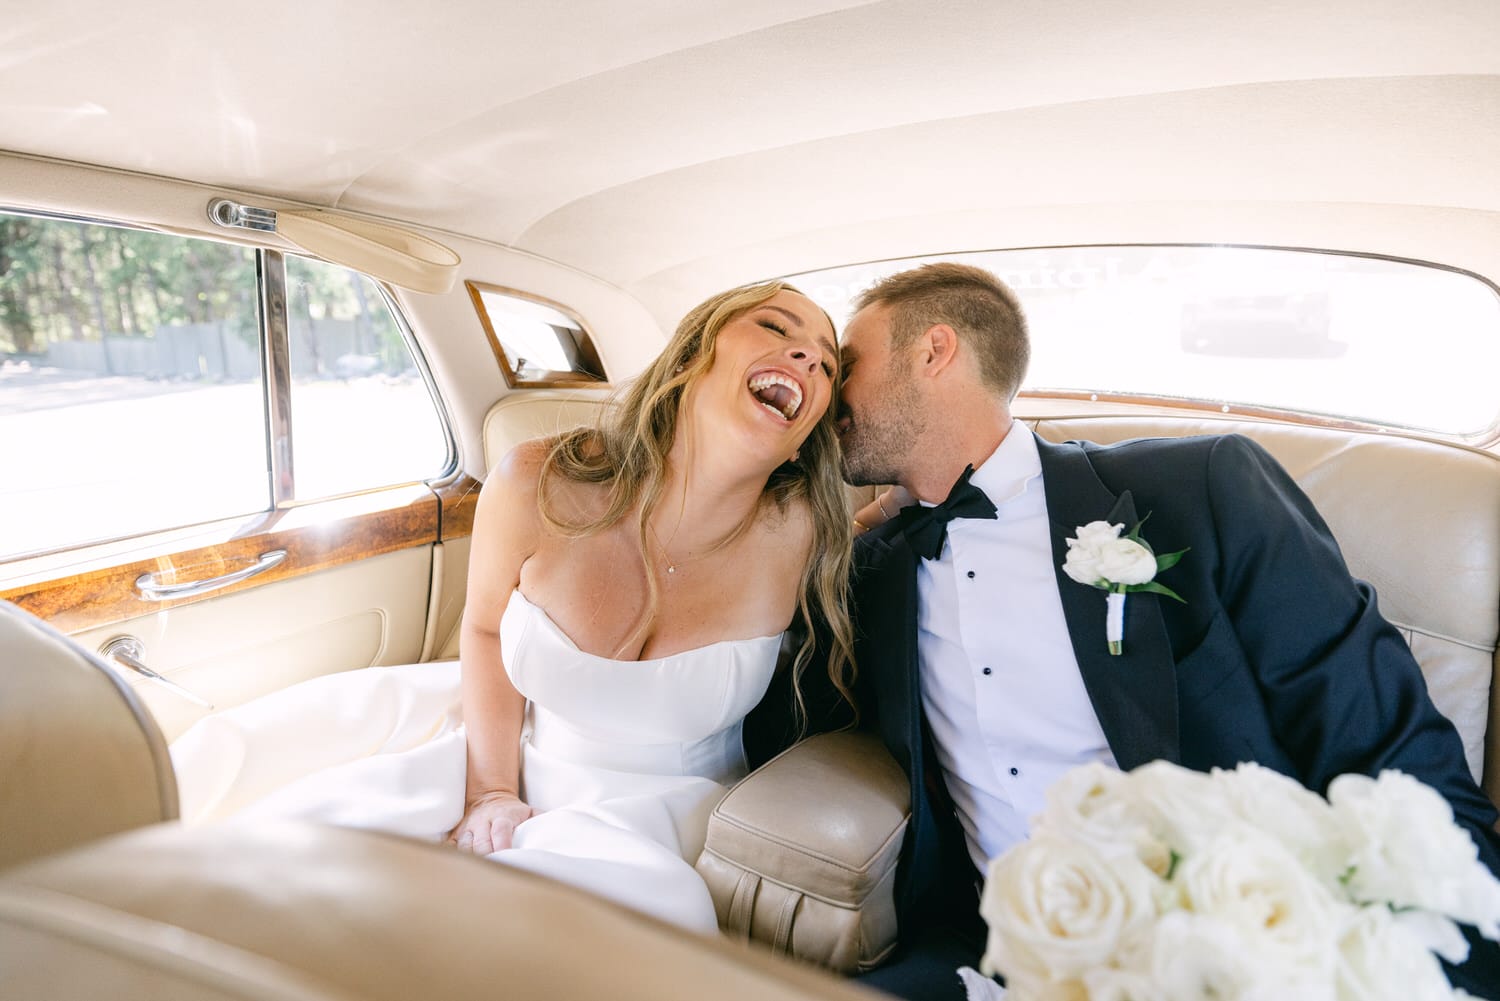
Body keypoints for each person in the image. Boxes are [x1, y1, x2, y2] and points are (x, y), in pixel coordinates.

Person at [746, 262, 1500, 999]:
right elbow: (781, 724)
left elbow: (1397, 754)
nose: (828, 393)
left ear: (934, 351)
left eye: (847, 363)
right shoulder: (872, 568)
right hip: (999, 956)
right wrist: (798, 535)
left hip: (1236, 950)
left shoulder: (1202, 489)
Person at [169, 280, 855, 933]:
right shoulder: (537, 480)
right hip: (504, 757)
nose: (806, 357)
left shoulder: (804, 535)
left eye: (826, 365)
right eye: (775, 327)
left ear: (805, 437)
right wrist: (490, 790)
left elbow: (912, 519)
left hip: (656, 825)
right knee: (287, 864)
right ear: (688, 359)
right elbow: (487, 627)